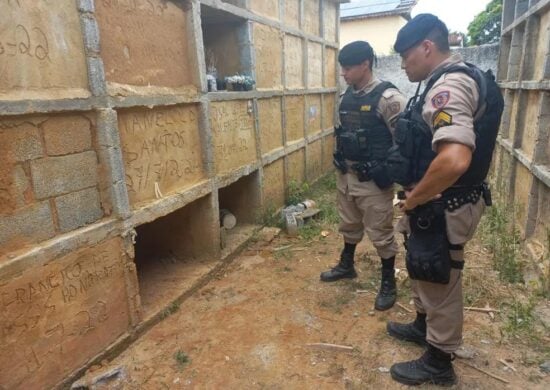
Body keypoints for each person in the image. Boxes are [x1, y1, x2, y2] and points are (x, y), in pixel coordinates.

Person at [384, 14, 504, 385]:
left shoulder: (449, 86)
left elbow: (454, 158)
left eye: (406, 56)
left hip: (444, 203)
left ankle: (439, 361)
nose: (403, 65)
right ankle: (424, 326)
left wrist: (415, 198)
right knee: (424, 266)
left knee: (440, 277)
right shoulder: (442, 81)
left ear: (427, 47)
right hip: (437, 203)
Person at [320, 41, 406, 311]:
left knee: (380, 233)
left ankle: (388, 281)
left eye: (347, 68)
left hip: (372, 180)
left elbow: (405, 144)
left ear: (365, 64)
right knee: (349, 224)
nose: (343, 73)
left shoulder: (389, 99)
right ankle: (347, 265)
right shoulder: (347, 96)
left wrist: (386, 169)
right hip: (347, 176)